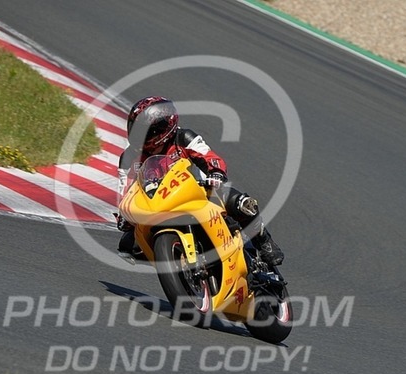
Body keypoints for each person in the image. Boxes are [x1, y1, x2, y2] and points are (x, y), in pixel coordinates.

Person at [115, 96, 284, 266]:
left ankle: (264, 241)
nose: (139, 136)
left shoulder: (183, 138)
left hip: (200, 191)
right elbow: (126, 189)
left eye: (146, 131)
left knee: (240, 203)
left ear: (163, 128)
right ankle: (174, 259)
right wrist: (124, 214)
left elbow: (208, 156)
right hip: (158, 203)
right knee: (127, 245)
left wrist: (216, 173)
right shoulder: (129, 157)